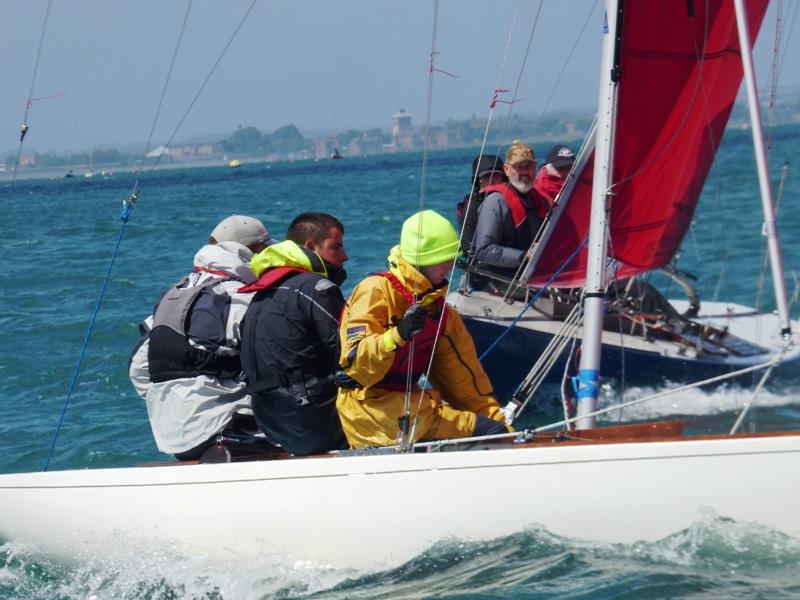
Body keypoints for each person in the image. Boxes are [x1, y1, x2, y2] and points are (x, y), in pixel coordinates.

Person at [336, 209, 509, 448]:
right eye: (445, 258)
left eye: (453, 257)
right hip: (370, 413)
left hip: (410, 410)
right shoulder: (376, 290)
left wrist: (509, 434)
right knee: (486, 432)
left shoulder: (441, 314)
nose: (451, 265)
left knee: (493, 430)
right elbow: (356, 367)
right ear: (424, 260)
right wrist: (397, 335)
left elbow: (466, 384)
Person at [129, 215, 272, 460]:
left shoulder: (171, 296)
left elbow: (138, 369)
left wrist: (171, 403)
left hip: (172, 437)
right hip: (228, 428)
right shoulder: (239, 297)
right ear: (255, 252)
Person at [239, 212, 349, 455]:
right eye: (336, 247)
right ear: (311, 246)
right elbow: (347, 356)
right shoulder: (317, 288)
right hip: (315, 421)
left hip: (271, 423)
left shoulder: (261, 294)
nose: (345, 256)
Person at [472, 140, 551, 287]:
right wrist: (525, 256)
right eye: (518, 167)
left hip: (537, 279)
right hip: (503, 282)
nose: (525, 172)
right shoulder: (496, 203)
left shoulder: (543, 201)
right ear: (507, 170)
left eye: (529, 166)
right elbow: (484, 250)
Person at [456, 153, 506, 255]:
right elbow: (467, 244)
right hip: (486, 262)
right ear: (479, 181)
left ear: (503, 178)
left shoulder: (510, 200)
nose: (492, 180)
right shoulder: (472, 205)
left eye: (496, 175)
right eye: (487, 176)